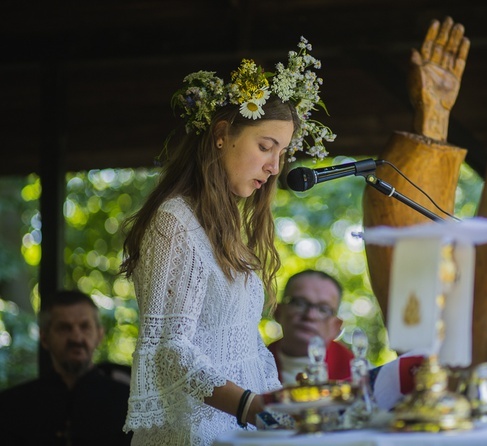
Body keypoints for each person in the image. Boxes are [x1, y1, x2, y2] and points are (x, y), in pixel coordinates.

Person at [119, 37, 335, 444]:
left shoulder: (224, 224)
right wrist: (251, 406)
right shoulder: (173, 223)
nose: (274, 167)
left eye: (282, 153)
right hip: (194, 434)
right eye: (265, 147)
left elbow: (240, 341)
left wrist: (283, 402)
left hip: (238, 431)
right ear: (222, 134)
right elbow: (169, 350)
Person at [0, 290, 132, 445]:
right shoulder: (11, 408)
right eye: (64, 328)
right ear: (44, 338)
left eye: (85, 327)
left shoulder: (128, 406)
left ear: (99, 335)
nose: (76, 337)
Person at [269, 270, 354, 385]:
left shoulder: (358, 372)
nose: (310, 315)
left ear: (336, 326)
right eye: (299, 303)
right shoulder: (253, 365)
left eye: (323, 309)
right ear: (278, 312)